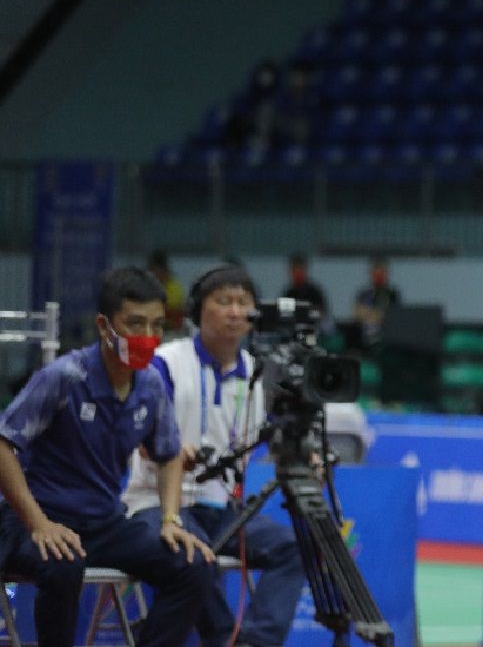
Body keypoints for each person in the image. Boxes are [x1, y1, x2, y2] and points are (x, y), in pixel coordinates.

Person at [0, 268, 216, 647]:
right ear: (105, 326)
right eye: (135, 324)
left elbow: (168, 455)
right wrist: (39, 523)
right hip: (35, 520)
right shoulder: (65, 375)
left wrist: (169, 518)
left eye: (156, 326)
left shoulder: (150, 385)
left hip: (102, 523)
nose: (147, 337)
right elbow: (3, 444)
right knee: (63, 564)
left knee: (192, 567)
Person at [122, 265, 304, 647]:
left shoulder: (257, 373)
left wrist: (303, 455)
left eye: (243, 303)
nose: (235, 312)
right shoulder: (165, 362)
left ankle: (255, 642)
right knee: (195, 554)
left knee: (295, 546)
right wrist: (166, 448)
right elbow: (136, 427)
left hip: (222, 509)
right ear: (197, 310)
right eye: (224, 301)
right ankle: (224, 640)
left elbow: (269, 436)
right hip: (157, 503)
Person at [353, 256, 400, 350]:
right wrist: (376, 315)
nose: (379, 275)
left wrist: (370, 314)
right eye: (376, 272)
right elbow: (357, 314)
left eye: (382, 272)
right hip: (364, 338)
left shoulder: (392, 295)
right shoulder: (363, 294)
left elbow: (393, 316)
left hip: (386, 338)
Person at [148, 249, 187, 334]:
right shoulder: (146, 285)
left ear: (165, 271)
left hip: (173, 332)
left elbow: (177, 315)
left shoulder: (174, 287)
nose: (156, 275)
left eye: (158, 271)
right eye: (153, 271)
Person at [282, 252, 329, 317]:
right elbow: (284, 314)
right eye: (294, 272)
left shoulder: (315, 293)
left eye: (300, 271)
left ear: (305, 271)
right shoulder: (288, 294)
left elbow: (322, 314)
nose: (297, 275)